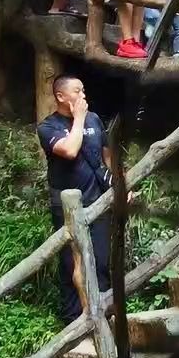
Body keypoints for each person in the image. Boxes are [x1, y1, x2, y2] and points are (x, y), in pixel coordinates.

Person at [37, 75, 114, 320]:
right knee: (73, 264)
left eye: (84, 91)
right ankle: (74, 321)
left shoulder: (94, 120)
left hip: (98, 202)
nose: (83, 96)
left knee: (101, 262)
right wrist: (78, 118)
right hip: (67, 207)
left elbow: (108, 159)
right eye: (77, 91)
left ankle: (104, 315)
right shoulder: (48, 127)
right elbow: (69, 150)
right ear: (61, 96)